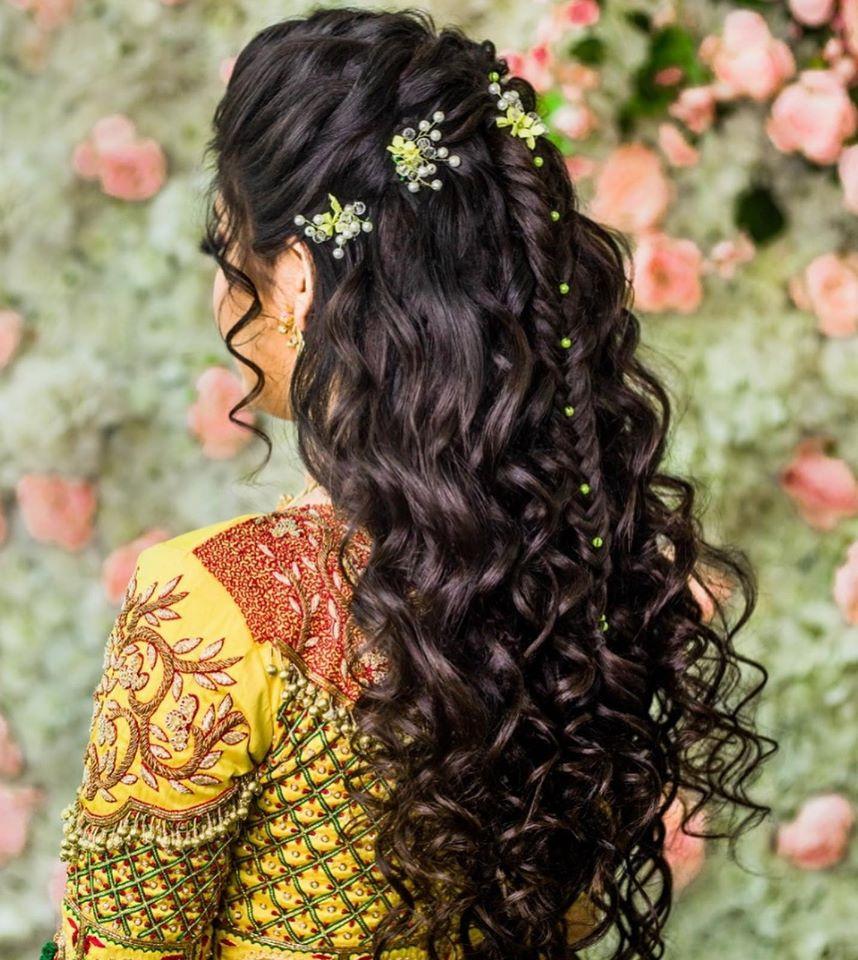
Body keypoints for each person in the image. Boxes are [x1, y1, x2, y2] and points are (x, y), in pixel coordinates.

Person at [44, 7, 777, 960]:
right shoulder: (572, 569)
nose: (219, 292)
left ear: (296, 280)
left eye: (224, 252)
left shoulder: (212, 606)